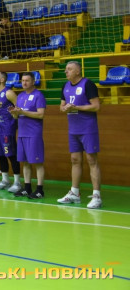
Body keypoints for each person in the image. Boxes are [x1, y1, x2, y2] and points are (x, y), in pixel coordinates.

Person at [58, 61, 102, 209]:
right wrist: (65, 109)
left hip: (88, 128)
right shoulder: (65, 86)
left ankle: (97, 196)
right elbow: (61, 107)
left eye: (69, 69)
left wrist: (76, 107)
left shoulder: (88, 84)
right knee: (75, 159)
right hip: (73, 129)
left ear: (78, 71)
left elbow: (96, 106)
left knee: (92, 160)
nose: (66, 71)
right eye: (66, 69)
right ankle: (74, 193)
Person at [9, 72, 46, 199]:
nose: (24, 83)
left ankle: (40, 190)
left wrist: (23, 112)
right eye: (23, 80)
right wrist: (14, 113)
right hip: (22, 133)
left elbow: (41, 114)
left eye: (27, 80)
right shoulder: (20, 96)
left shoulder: (38, 95)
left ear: (33, 82)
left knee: (37, 162)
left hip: (33, 133)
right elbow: (17, 116)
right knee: (24, 162)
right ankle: (27, 187)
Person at [0, 72, 21, 193]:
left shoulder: (9, 93)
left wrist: (14, 118)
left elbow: (18, 108)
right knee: (0, 154)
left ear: (2, 80)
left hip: (7, 128)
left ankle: (17, 182)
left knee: (11, 154)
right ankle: (5, 180)